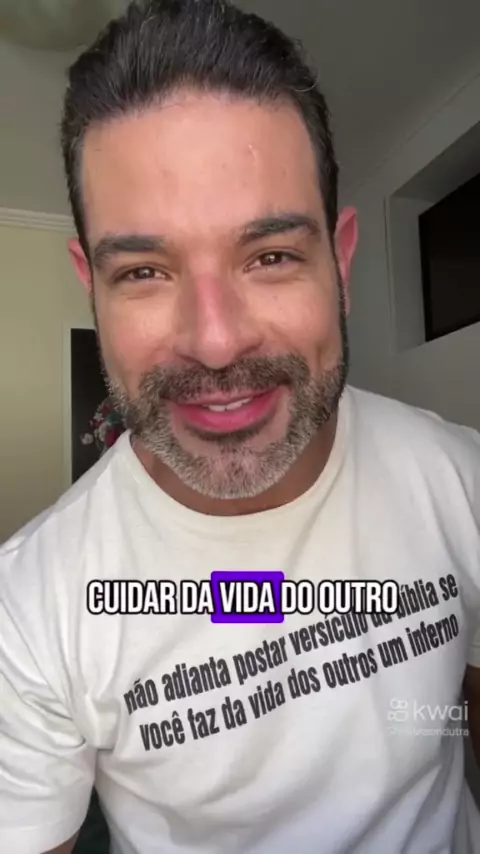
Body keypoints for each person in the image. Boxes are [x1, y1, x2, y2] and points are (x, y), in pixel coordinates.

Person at [1, 0, 480, 851]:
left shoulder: (462, 478)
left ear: (341, 260)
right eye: (145, 271)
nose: (216, 342)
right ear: (91, 284)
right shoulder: (29, 610)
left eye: (270, 256)